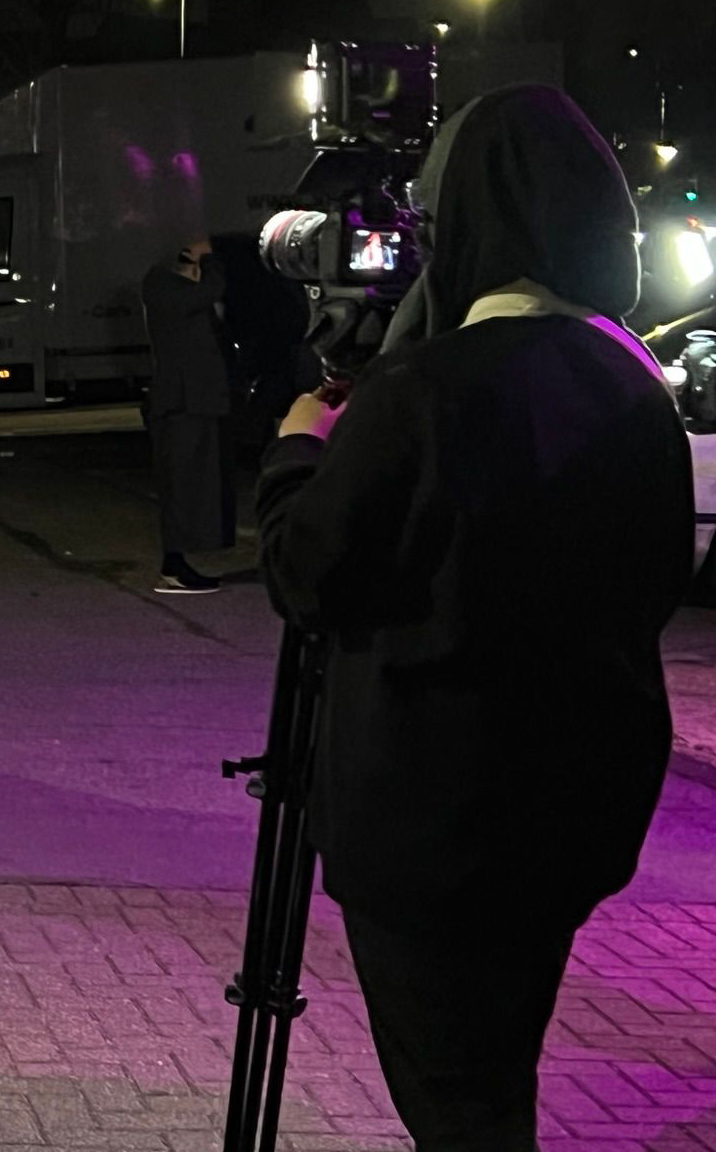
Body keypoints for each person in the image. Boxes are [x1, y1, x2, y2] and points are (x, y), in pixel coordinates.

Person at [256, 85, 692, 1149]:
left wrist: (301, 444)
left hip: (428, 818)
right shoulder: (632, 389)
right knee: (494, 1070)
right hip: (568, 815)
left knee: (456, 1102)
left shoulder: (425, 392)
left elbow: (305, 574)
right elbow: (655, 582)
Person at [141, 237, 237, 593]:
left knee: (195, 486)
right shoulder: (163, 286)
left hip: (195, 402)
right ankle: (174, 566)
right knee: (181, 487)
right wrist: (208, 260)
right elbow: (211, 289)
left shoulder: (181, 294)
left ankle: (181, 562)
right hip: (181, 404)